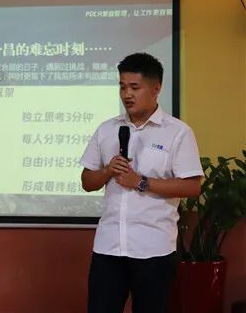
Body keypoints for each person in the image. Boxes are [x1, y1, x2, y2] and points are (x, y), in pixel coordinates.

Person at [80, 53, 203, 313]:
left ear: (156, 88)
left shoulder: (177, 132)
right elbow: (87, 181)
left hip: (154, 248)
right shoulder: (107, 129)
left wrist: (141, 182)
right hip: (109, 246)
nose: (127, 94)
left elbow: (192, 186)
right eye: (122, 87)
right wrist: (107, 171)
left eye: (134, 87)